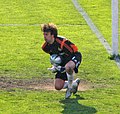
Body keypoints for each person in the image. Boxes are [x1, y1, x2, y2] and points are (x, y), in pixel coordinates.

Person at [41, 23, 82, 99]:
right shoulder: (45, 47)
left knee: (68, 67)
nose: (44, 36)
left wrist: (65, 67)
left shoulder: (63, 43)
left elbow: (74, 51)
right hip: (63, 62)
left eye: (46, 34)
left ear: (52, 35)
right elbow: (54, 56)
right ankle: (74, 84)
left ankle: (69, 88)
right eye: (44, 34)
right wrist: (55, 66)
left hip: (74, 57)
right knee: (58, 86)